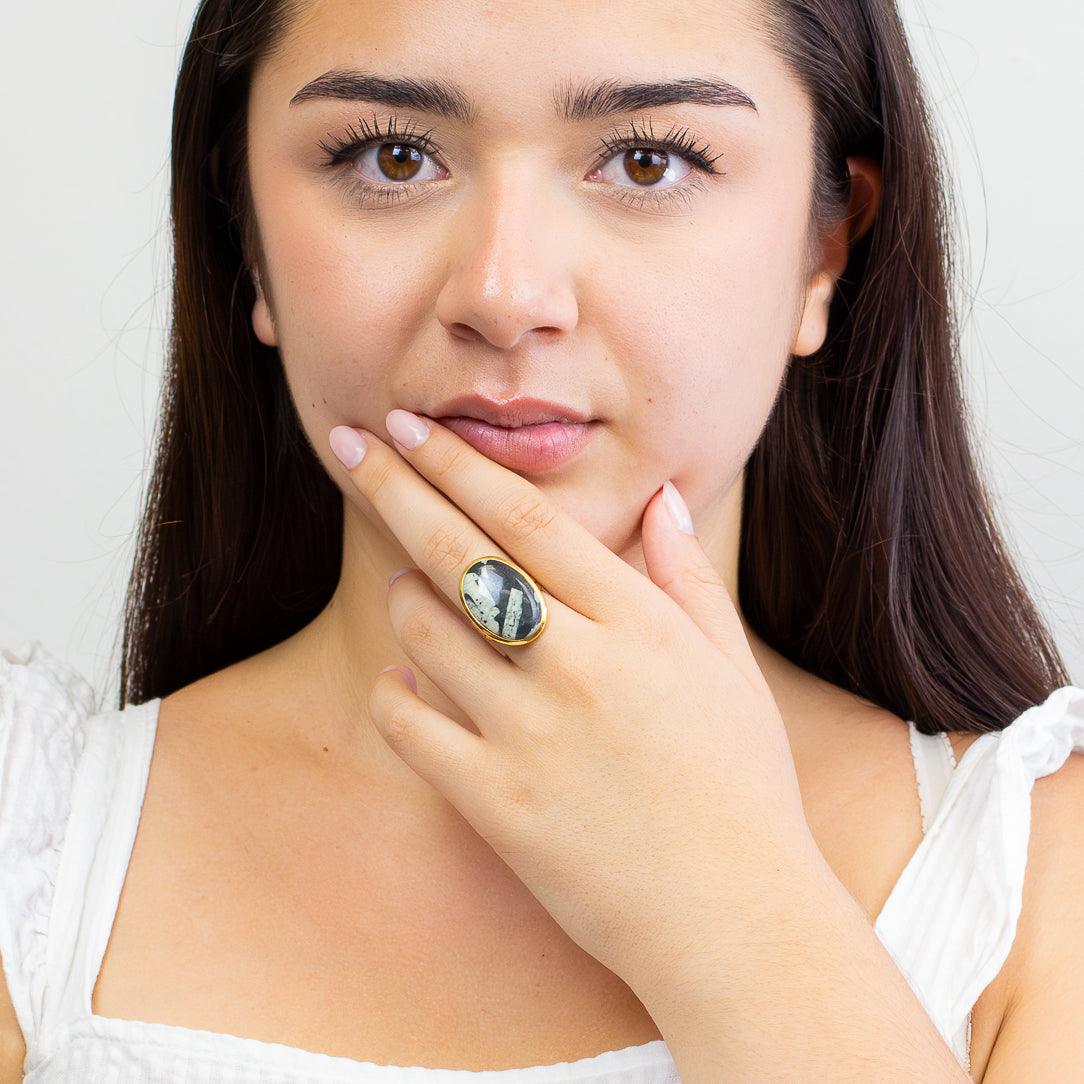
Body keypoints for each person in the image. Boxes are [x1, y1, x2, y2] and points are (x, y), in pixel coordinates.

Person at [2, 0, 1082, 1080]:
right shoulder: (28, 843)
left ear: (825, 248)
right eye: (392, 155)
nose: (505, 297)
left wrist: (734, 909)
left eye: (649, 161)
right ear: (246, 234)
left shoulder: (1040, 873)